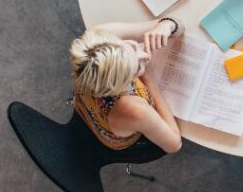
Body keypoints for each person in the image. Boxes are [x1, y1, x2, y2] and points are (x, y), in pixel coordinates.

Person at [69, 18, 184, 153]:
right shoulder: (135, 109)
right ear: (122, 85)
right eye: (137, 68)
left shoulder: (99, 35)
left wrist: (166, 26)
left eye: (133, 46)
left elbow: (177, 24)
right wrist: (148, 77)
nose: (145, 55)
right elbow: (174, 144)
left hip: (87, 103)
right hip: (117, 136)